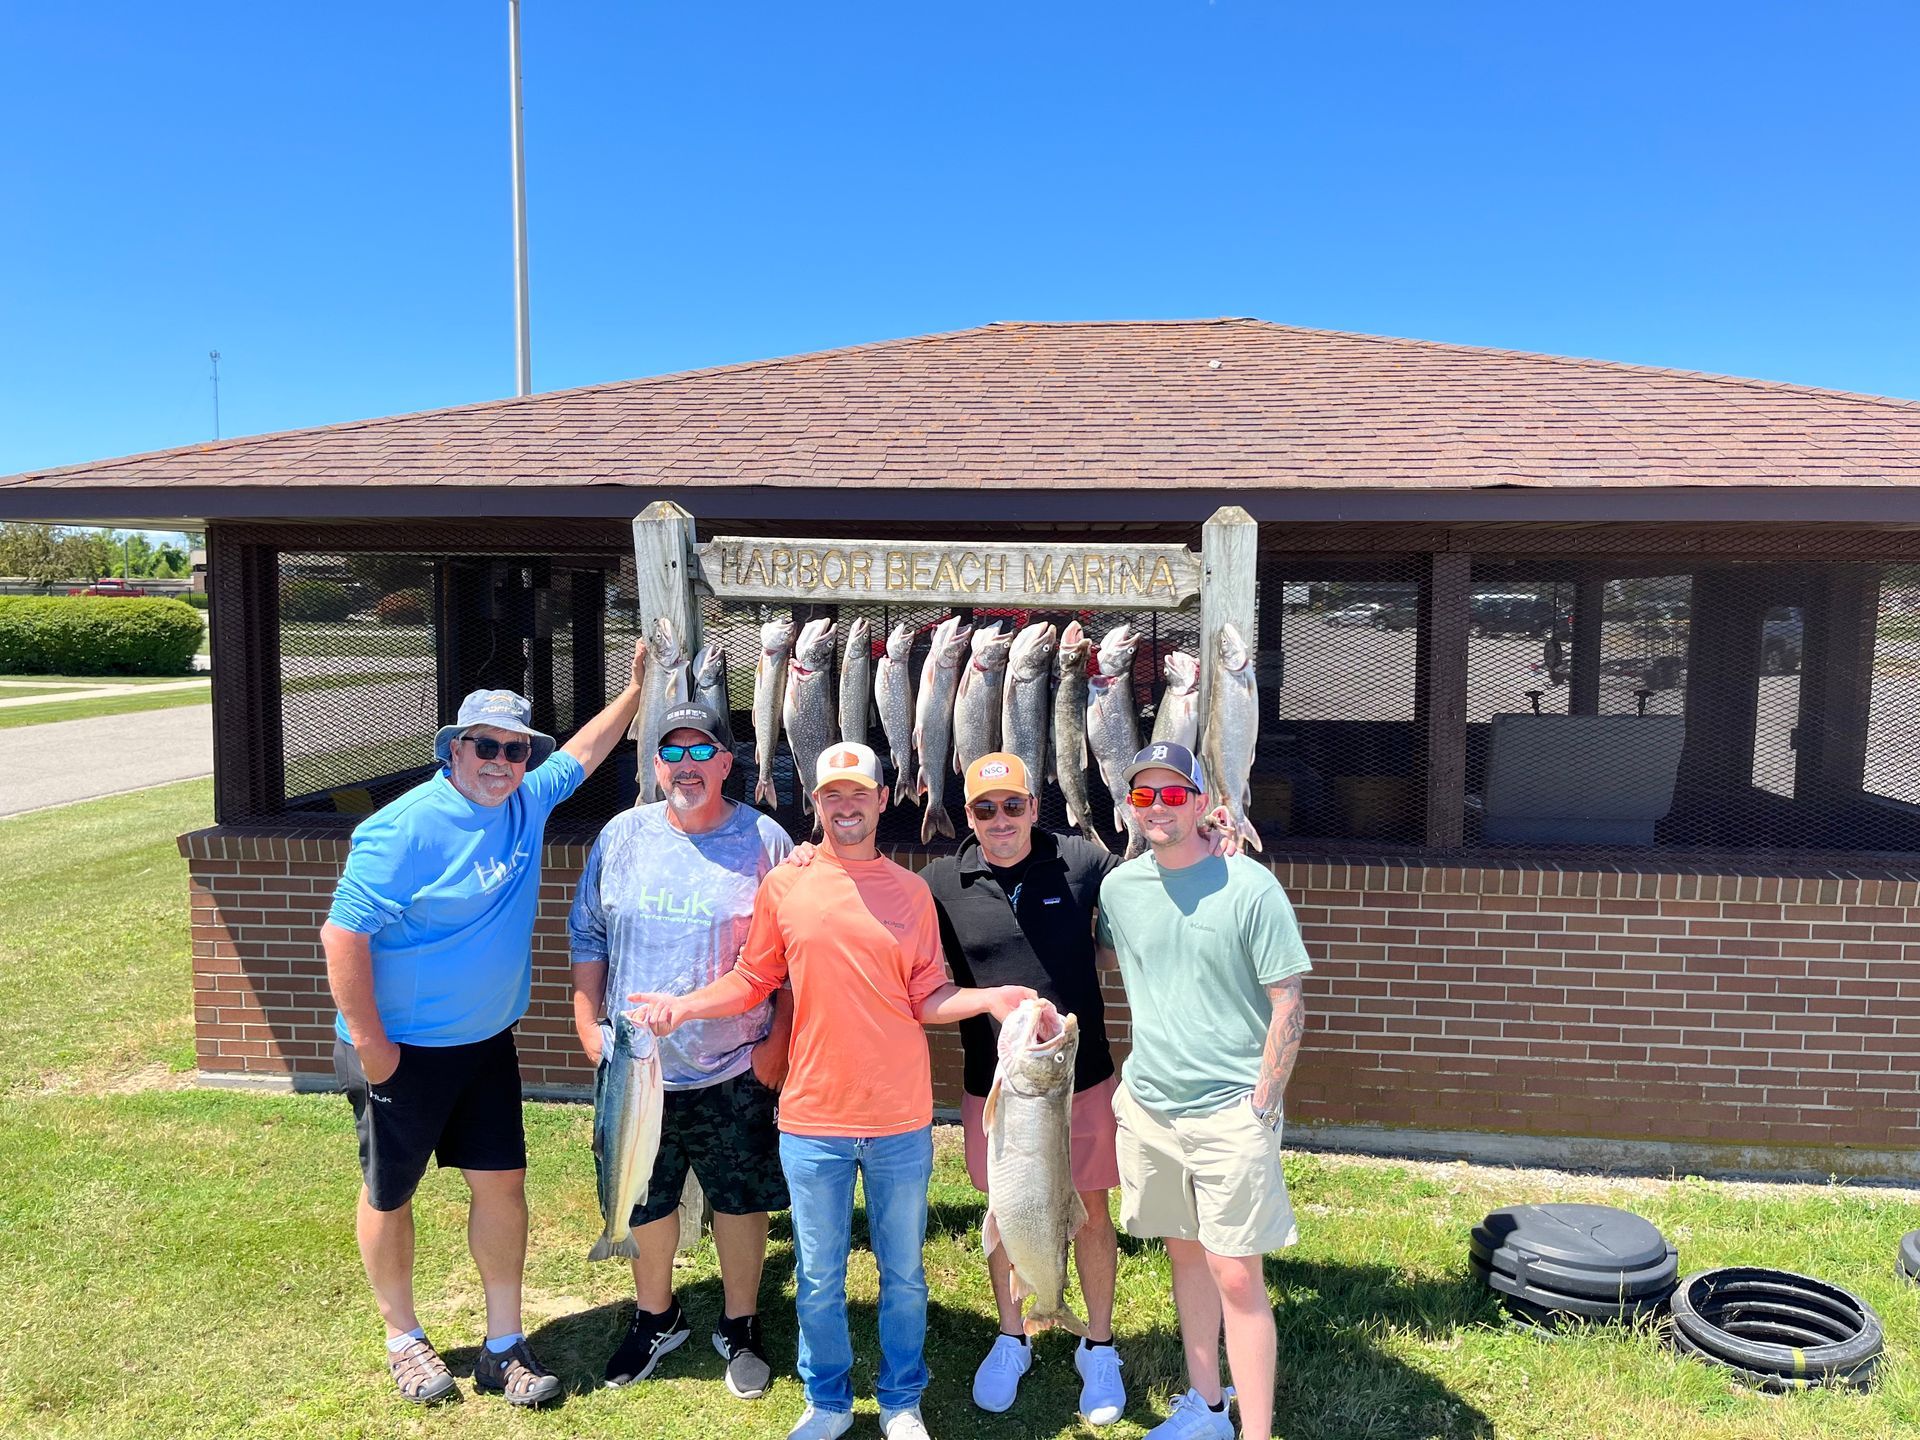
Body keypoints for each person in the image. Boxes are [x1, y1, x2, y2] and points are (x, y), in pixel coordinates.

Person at [628, 742, 1036, 1440]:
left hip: (898, 1118)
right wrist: (684, 1007)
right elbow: (753, 982)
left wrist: (989, 997)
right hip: (812, 1118)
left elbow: (926, 996)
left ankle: (903, 1400)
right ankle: (829, 1401)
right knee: (819, 1277)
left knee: (903, 1275)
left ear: (883, 800)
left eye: (859, 794)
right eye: (830, 796)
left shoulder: (910, 894)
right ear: (814, 804)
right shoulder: (786, 884)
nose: (845, 806)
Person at [320, 652, 646, 1407]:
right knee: (388, 1192)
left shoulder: (525, 801)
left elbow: (585, 753)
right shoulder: (401, 830)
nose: (505, 762)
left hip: (487, 1044)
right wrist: (373, 1049)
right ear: (455, 749)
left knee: (502, 1187)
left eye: (517, 748)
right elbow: (343, 936)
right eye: (488, 746)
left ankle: (504, 1344)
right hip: (400, 1051)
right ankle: (404, 1338)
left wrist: (634, 689)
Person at [568, 699, 795, 1400]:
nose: (686, 766)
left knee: (738, 1198)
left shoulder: (766, 842)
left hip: (733, 1063)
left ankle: (741, 1322)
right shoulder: (621, 835)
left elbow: (794, 958)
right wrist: (586, 1024)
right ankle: (656, 1316)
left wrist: (777, 1047)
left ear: (729, 762)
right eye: (673, 752)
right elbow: (588, 936)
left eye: (703, 752)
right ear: (654, 762)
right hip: (636, 1072)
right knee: (645, 1196)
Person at [1094, 741, 1311, 1440]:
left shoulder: (1249, 887)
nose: (1158, 807)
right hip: (1151, 1107)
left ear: (1201, 801)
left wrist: (1262, 1105)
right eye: (1144, 795)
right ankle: (1207, 1407)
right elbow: (1102, 956)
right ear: (1131, 806)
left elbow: (1289, 1002)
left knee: (1238, 1275)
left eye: (1173, 793)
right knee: (1184, 1252)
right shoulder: (1120, 890)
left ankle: (1257, 1432)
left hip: (1230, 1112)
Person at [920, 752, 1128, 1426]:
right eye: (985, 809)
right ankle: (1015, 1334)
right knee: (1010, 1214)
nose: (1000, 819)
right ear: (969, 817)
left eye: (1013, 805)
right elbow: (925, 984)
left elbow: (1139, 916)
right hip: (996, 1090)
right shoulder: (940, 883)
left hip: (1082, 1080)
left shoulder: (1085, 864)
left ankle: (1097, 1343)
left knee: (1089, 1211)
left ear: (1036, 807)